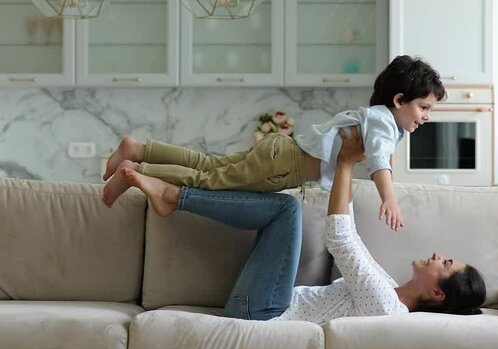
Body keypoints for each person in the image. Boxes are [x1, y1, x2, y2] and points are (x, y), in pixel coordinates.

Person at [115, 126, 486, 323]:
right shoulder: (387, 288)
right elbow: (349, 232)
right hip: (264, 304)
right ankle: (148, 162)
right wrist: (347, 168)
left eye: (447, 263)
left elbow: (339, 238)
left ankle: (172, 195)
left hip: (262, 314)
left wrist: (345, 163)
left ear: (438, 293)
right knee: (222, 170)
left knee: (285, 210)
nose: (439, 255)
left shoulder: (386, 305)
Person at [101, 55, 446, 231]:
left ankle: (138, 148)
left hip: (281, 150)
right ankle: (137, 169)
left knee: (209, 164)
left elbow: (382, 156)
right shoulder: (383, 122)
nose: (427, 116)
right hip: (283, 167)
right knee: (209, 179)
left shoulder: (379, 121)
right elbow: (380, 163)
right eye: (424, 107)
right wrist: (390, 200)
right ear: (399, 100)